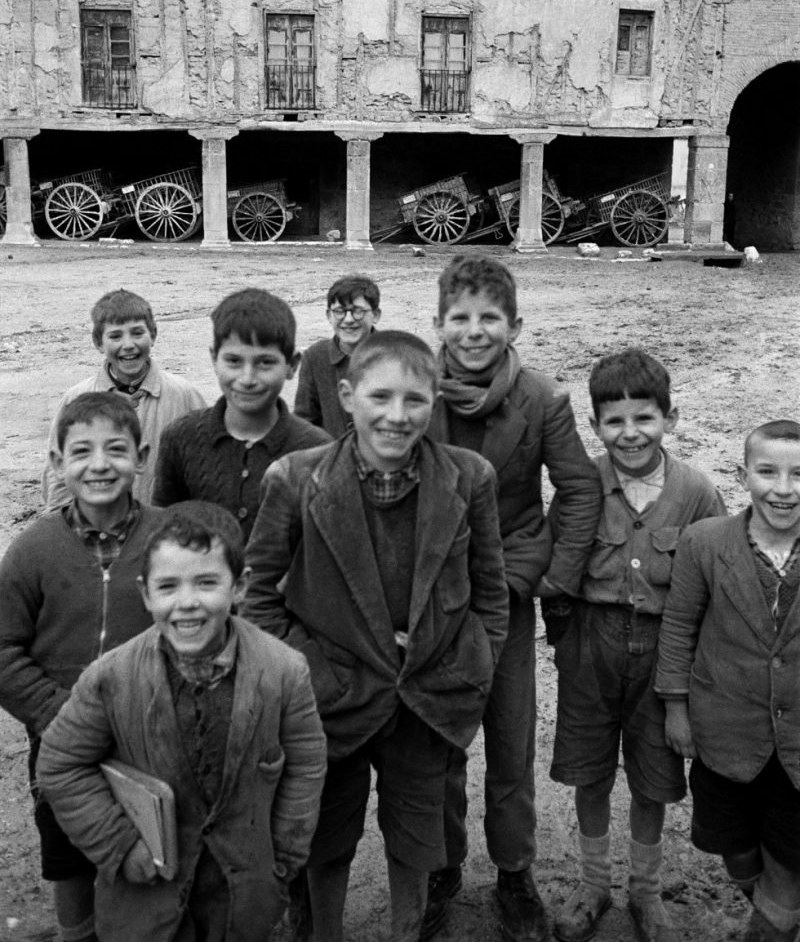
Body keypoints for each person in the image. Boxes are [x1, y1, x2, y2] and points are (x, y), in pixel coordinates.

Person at [244, 329, 509, 942]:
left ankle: (407, 930)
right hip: (328, 702)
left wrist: (473, 658)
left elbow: (491, 591)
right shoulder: (295, 479)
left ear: (435, 401)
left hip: (427, 696)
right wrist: (307, 670)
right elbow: (258, 597)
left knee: (417, 837)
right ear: (346, 394)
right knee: (326, 834)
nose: (397, 416)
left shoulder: (469, 478)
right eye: (380, 397)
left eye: (415, 400)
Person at [36, 503, 328, 942]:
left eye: (207, 582)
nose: (187, 602)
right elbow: (60, 765)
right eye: (168, 586)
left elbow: (306, 765)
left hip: (243, 898)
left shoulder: (285, 671)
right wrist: (120, 844)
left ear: (240, 587)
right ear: (146, 593)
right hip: (144, 900)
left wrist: (284, 856)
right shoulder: (110, 677)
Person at [423, 254, 603, 942]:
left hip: (507, 596)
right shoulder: (417, 394)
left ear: (515, 323)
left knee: (510, 734)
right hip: (432, 601)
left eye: (489, 318)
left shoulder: (542, 400)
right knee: (438, 738)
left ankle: (515, 872)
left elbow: (578, 491)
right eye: (460, 319)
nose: (474, 332)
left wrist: (545, 576)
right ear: (439, 324)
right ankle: (441, 867)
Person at [550, 348, 726, 942]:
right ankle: (594, 886)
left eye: (645, 418)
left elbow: (713, 587)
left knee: (653, 776)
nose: (630, 434)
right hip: (589, 650)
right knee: (590, 771)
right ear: (595, 425)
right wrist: (569, 640)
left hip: (663, 649)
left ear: (670, 419)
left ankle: (646, 894)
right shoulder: (580, 486)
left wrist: (687, 680)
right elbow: (557, 569)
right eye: (614, 421)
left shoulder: (697, 494)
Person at [0, 392, 162, 942]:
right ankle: (78, 933)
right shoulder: (34, 549)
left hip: (153, 736)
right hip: (62, 742)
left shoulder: (169, 538)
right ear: (56, 463)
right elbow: (2, 647)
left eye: (116, 449)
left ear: (141, 456)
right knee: (68, 851)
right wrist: (59, 714)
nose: (99, 465)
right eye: (81, 451)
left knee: (154, 847)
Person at [656, 420, 800, 942]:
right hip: (725, 736)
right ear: (743, 475)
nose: (783, 489)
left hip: (798, 749)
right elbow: (678, 626)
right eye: (767, 472)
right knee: (735, 849)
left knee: (789, 861)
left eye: (798, 474)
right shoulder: (704, 542)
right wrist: (676, 707)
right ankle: (775, 911)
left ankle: (771, 927)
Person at [152, 288, 330, 540]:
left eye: (264, 362)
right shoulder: (180, 438)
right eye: (234, 361)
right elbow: (162, 533)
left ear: (292, 365)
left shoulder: (317, 450)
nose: (247, 379)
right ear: (214, 360)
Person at [42, 289, 205, 509]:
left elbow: (206, 471)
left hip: (165, 531)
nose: (128, 345)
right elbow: (57, 480)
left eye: (137, 333)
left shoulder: (185, 396)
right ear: (98, 342)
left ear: (153, 335)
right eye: (115, 336)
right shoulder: (76, 399)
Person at [294, 273, 381, 436]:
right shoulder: (315, 357)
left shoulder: (395, 356)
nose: (348, 319)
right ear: (329, 315)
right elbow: (304, 422)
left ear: (375, 315)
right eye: (339, 311)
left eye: (358, 311)